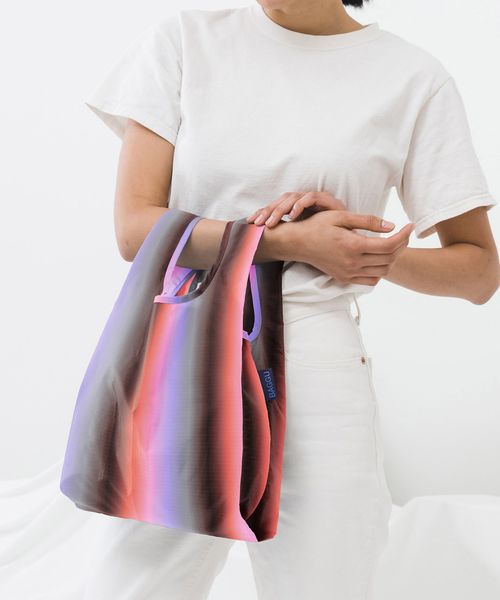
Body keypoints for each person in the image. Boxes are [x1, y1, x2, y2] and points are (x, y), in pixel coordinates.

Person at [81, 1, 499, 598]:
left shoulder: (412, 77)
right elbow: (134, 230)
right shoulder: (185, 42)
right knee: (139, 584)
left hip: (318, 364)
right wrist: (285, 242)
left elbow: (479, 271)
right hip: (185, 351)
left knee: (323, 583)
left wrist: (363, 254)